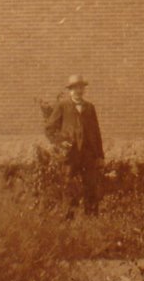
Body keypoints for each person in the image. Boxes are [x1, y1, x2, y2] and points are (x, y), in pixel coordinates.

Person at [45, 74, 105, 218]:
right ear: (70, 90)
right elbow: (49, 129)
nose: (78, 91)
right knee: (68, 186)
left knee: (91, 187)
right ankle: (68, 219)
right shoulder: (63, 106)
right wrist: (60, 142)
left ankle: (91, 220)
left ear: (84, 90)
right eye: (75, 88)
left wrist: (100, 156)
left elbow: (96, 133)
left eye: (81, 88)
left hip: (88, 154)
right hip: (70, 154)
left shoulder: (90, 108)